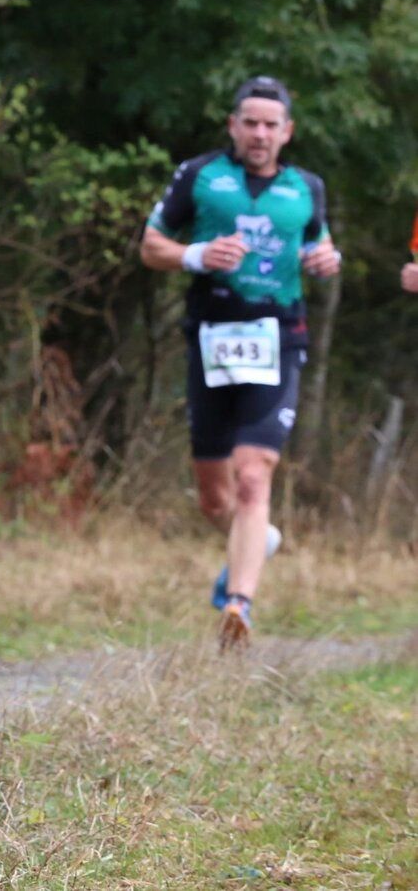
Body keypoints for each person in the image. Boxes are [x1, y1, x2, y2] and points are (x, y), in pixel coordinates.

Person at [139, 76, 340, 651]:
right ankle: (259, 542)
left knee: (255, 477)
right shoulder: (201, 176)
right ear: (232, 126)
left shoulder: (307, 188)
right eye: (249, 122)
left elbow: (317, 245)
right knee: (216, 498)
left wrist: (326, 260)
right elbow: (151, 245)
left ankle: (238, 606)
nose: (259, 133)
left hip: (279, 337)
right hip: (212, 336)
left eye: (270, 124)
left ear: (287, 132)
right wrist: (197, 254)